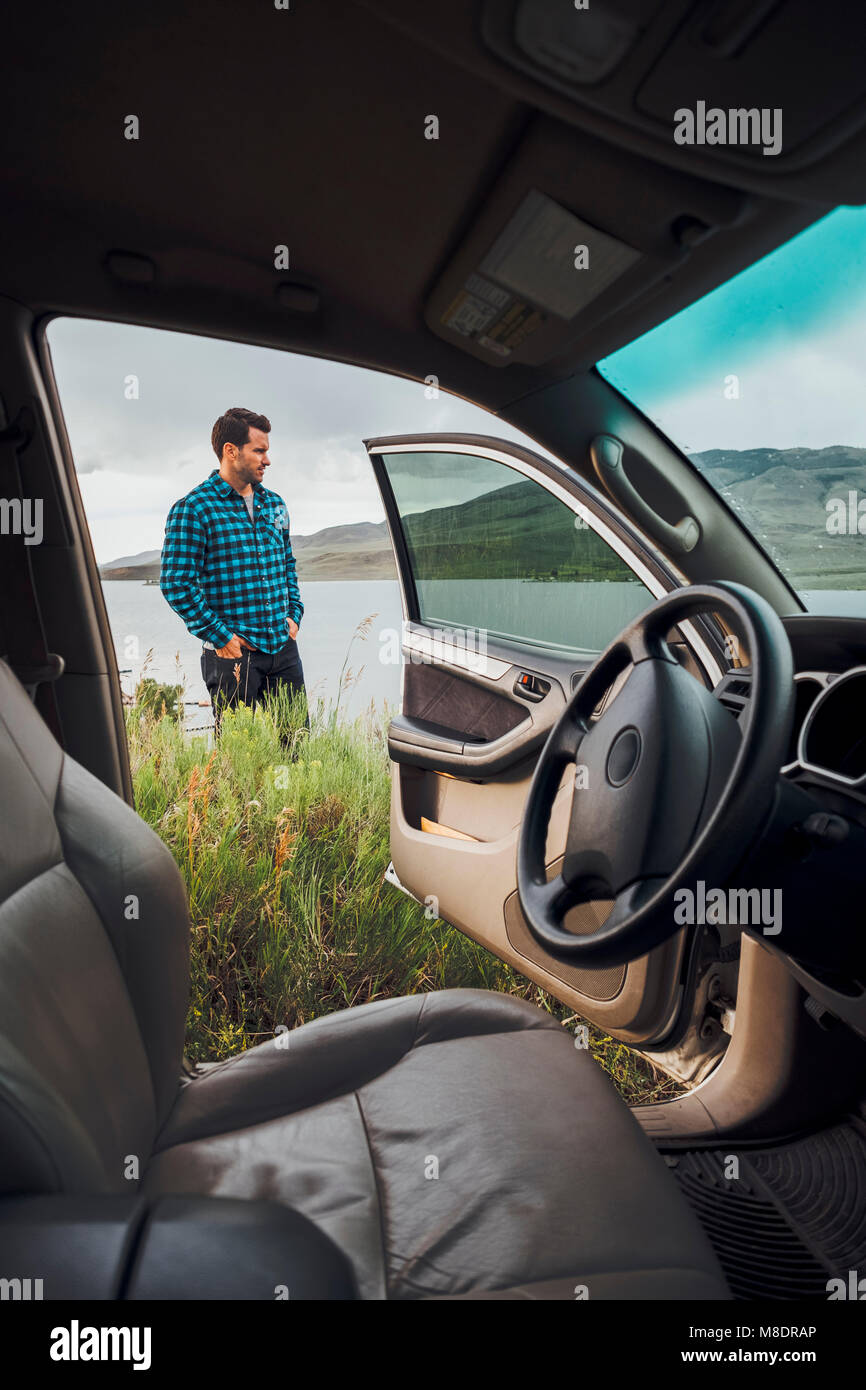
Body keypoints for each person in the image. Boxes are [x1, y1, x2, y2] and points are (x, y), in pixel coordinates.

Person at [160, 406, 306, 735]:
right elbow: (176, 584)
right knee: (241, 759)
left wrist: (294, 613)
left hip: (283, 649)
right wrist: (221, 637)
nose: (267, 460)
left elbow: (287, 564)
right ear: (231, 451)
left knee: (297, 745)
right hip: (233, 658)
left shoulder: (275, 504)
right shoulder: (194, 508)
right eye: (259, 450)